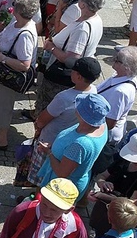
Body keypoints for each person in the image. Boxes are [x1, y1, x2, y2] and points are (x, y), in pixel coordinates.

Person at [27, 57, 101, 187]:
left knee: (41, 175)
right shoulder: (93, 91)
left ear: (78, 76)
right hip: (67, 143)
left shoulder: (64, 97)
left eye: (73, 70)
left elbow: (43, 119)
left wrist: (38, 127)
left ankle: (35, 198)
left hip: (49, 141)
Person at [0, 0, 39, 151]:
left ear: (19, 10)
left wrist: (2, 58)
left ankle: (1, 139)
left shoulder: (25, 34)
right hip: (6, 72)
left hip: (11, 74)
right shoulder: (19, 21)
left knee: (4, 105)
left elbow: (25, 64)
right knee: (0, 101)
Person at [35, 0, 104, 114]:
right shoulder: (97, 19)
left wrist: (52, 48)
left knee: (48, 110)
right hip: (68, 72)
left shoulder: (82, 29)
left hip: (61, 77)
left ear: (83, 4)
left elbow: (71, 59)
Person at [88, 130, 137, 238]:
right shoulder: (124, 160)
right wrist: (102, 183)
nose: (132, 160)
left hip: (123, 225)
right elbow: (102, 175)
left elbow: (132, 204)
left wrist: (102, 196)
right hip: (104, 216)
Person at [36, 94, 111, 197]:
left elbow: (62, 173)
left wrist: (49, 152)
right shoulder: (101, 124)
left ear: (83, 115)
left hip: (60, 188)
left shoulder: (80, 145)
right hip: (75, 180)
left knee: (48, 211)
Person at [98, 46, 137, 145]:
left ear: (126, 67)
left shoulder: (120, 92)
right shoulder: (125, 77)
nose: (113, 59)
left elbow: (110, 123)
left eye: (117, 60)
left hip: (104, 135)